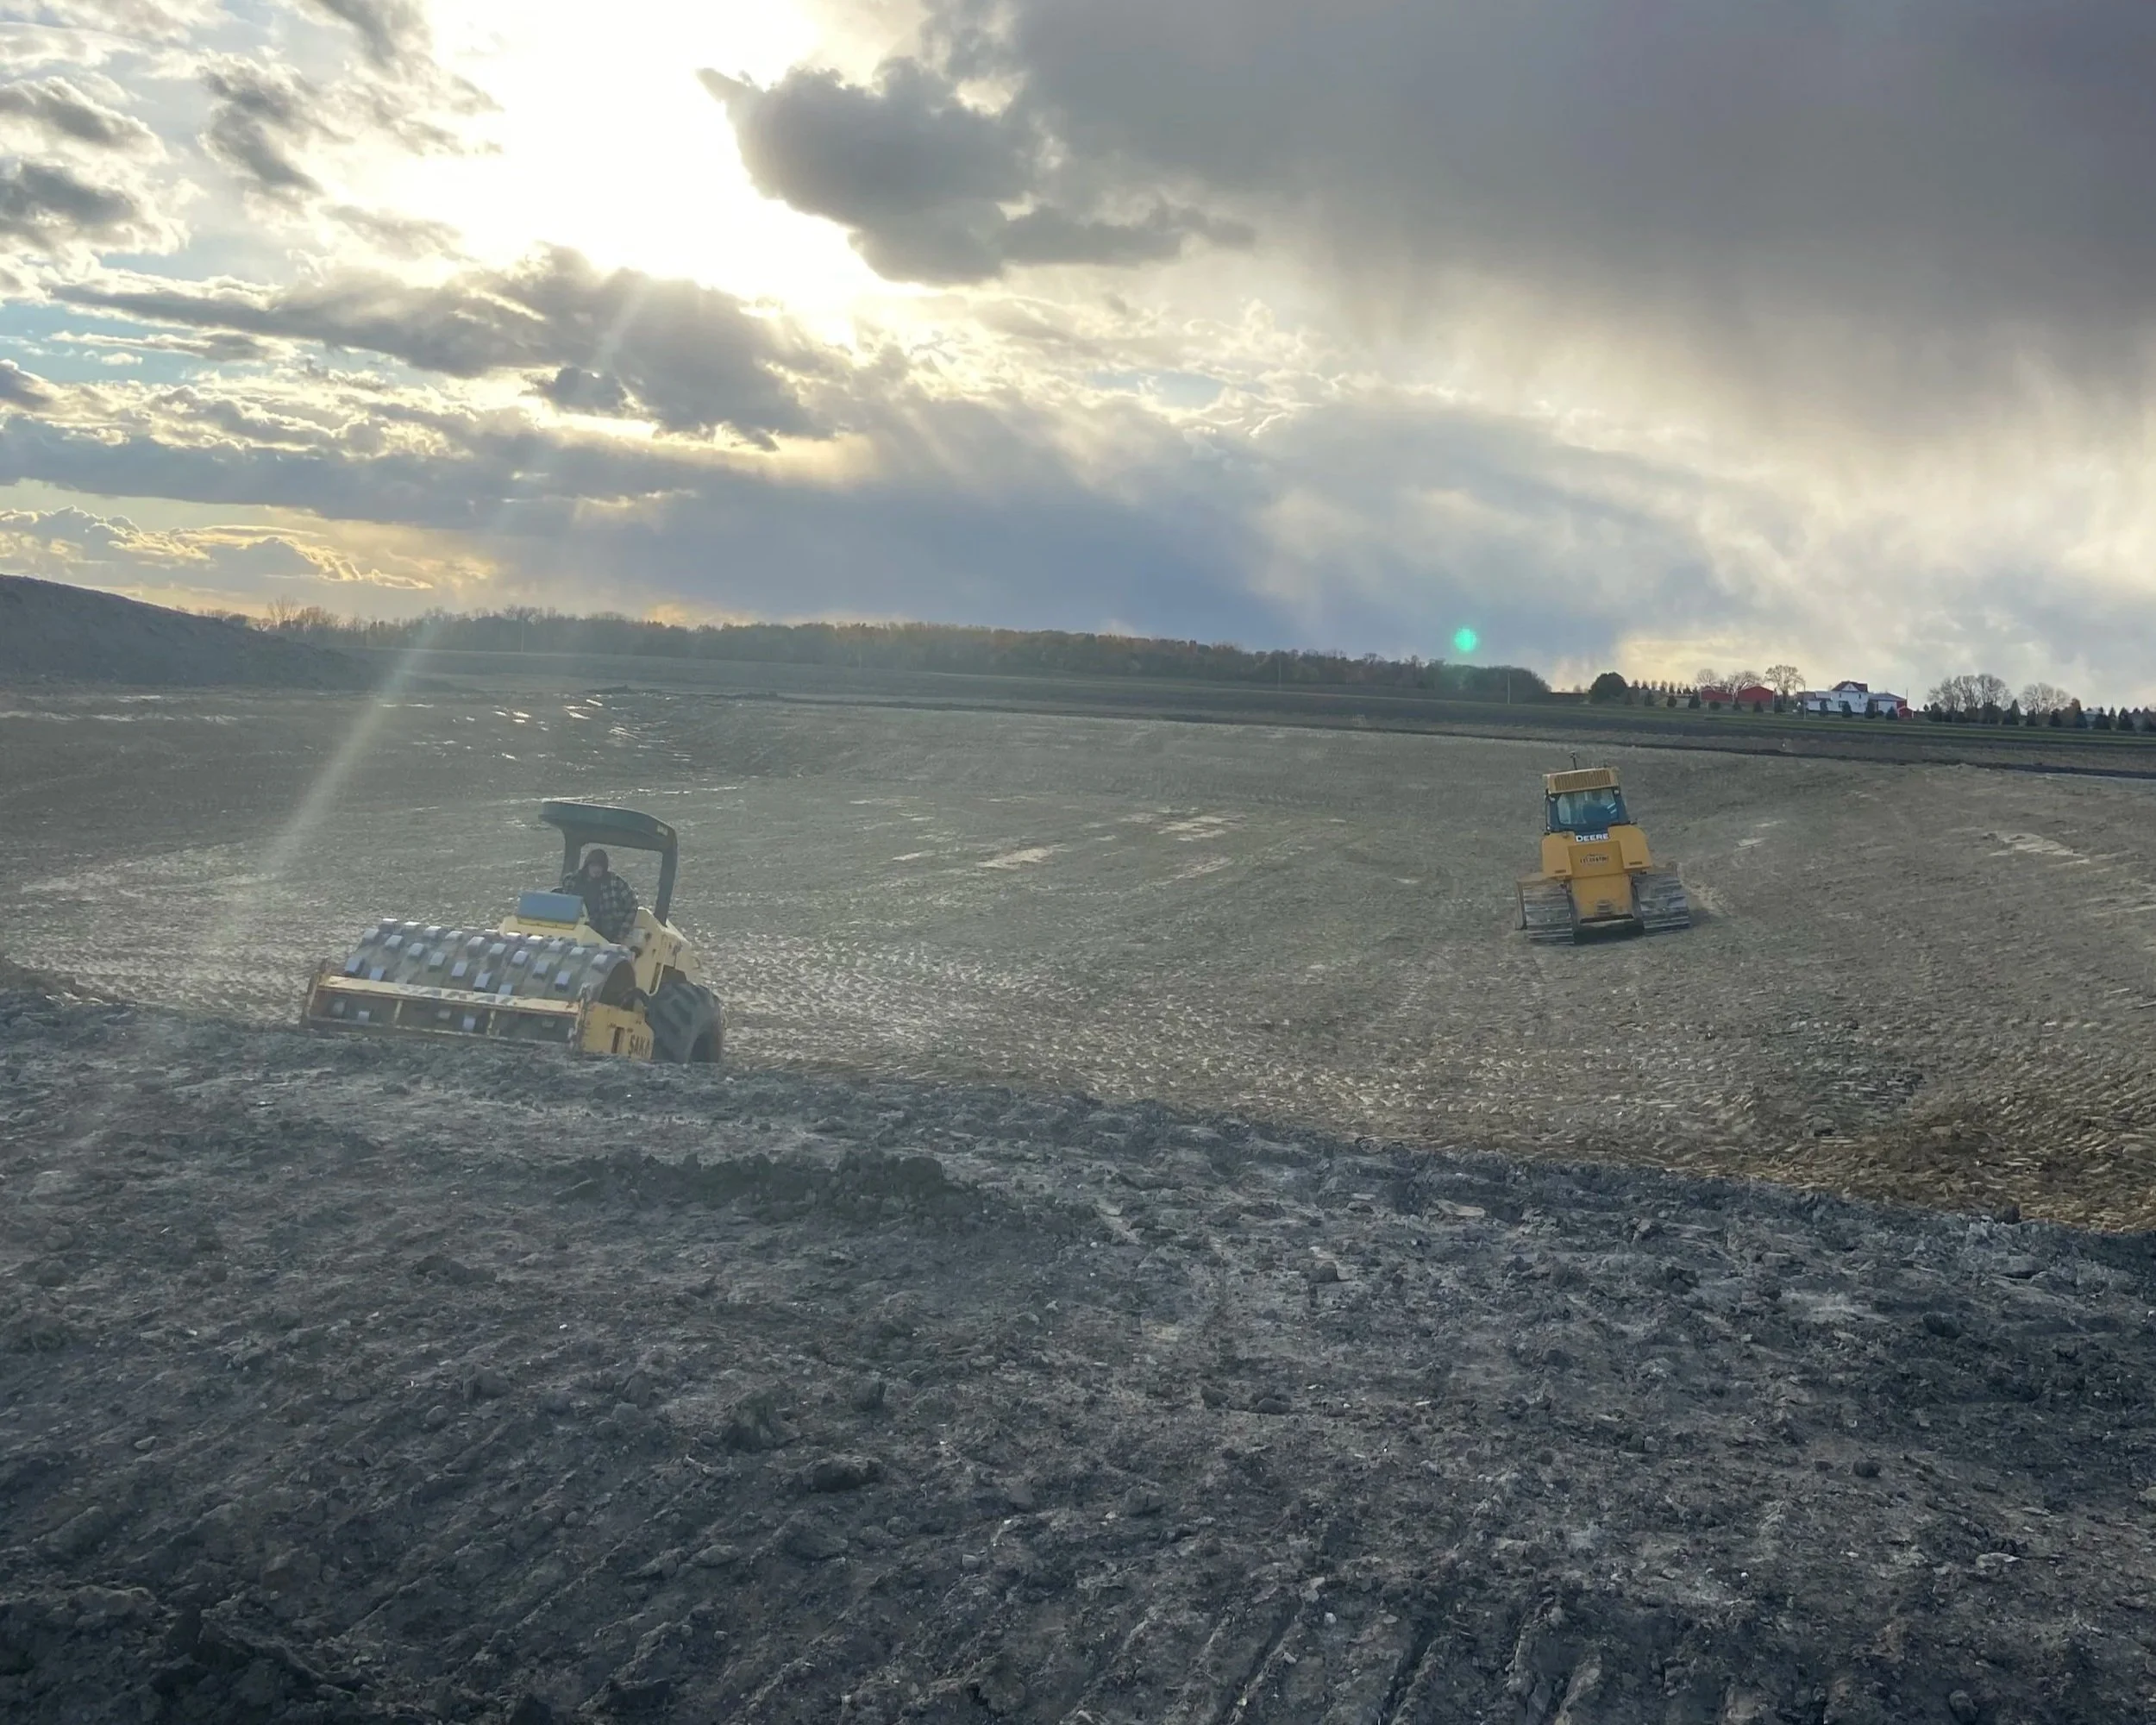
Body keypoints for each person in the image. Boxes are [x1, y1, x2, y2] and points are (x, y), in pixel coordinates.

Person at [562, 846, 638, 943]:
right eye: (593, 865)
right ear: (587, 865)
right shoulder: (571, 881)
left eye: (600, 866)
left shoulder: (616, 882)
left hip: (608, 936)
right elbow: (564, 904)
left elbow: (633, 904)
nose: (597, 869)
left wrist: (622, 933)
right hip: (577, 933)